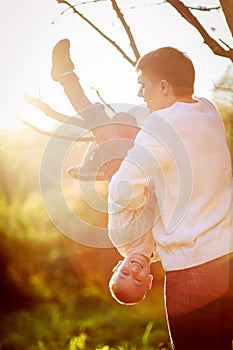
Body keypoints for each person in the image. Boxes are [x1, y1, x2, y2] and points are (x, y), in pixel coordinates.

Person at [108, 47, 233, 350]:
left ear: (164, 87)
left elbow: (122, 187)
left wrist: (136, 218)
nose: (140, 93)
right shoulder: (208, 110)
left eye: (144, 84)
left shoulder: (162, 124)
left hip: (193, 269)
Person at [51, 39, 159, 304]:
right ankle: (92, 167)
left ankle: (64, 76)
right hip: (142, 167)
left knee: (98, 119)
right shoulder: (162, 251)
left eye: (124, 273)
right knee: (127, 122)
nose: (133, 270)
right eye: (137, 278)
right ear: (150, 280)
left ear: (116, 266)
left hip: (122, 171)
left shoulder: (122, 237)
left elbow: (127, 195)